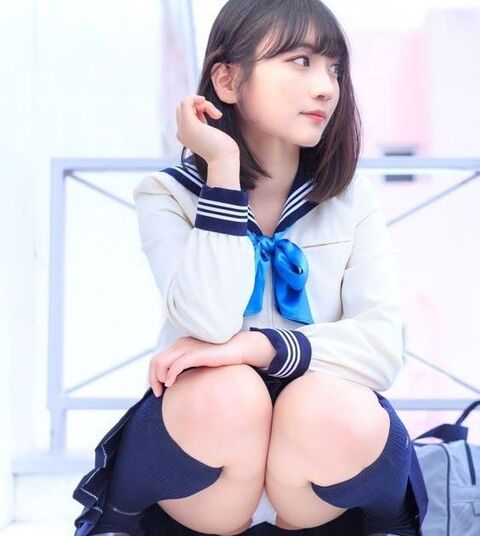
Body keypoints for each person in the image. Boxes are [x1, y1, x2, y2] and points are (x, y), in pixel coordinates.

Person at [72, 1, 429, 535]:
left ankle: (385, 522)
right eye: (300, 61)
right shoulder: (166, 194)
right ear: (228, 79)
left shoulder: (352, 199)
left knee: (326, 403)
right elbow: (209, 321)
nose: (326, 88)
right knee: (228, 391)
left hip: (317, 473)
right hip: (202, 466)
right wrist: (222, 170)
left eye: (333, 68)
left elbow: (382, 347)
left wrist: (261, 347)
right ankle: (120, 520)